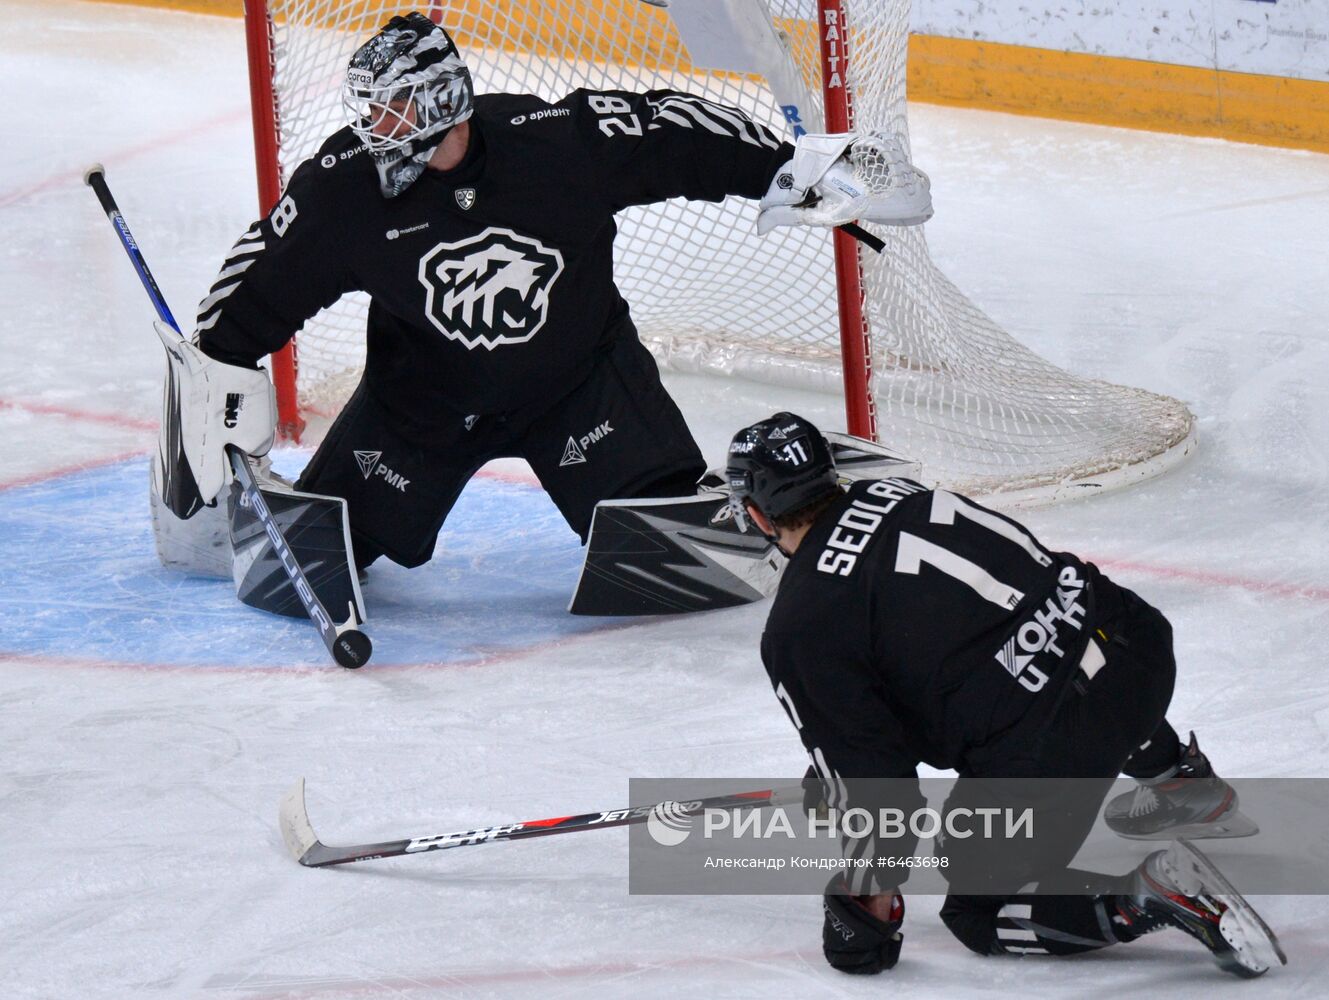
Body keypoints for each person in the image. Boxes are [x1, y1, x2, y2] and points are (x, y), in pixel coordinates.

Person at [155, 12, 932, 585]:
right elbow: (258, 287)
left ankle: (808, 483)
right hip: (418, 410)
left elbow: (669, 132)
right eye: (371, 110)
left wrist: (795, 171)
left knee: (686, 567)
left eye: (389, 109)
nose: (373, 126)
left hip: (580, 389)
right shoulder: (345, 191)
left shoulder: (555, 143)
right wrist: (214, 380)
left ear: (435, 104)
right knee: (314, 562)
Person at [724, 412, 1285, 979]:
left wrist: (862, 914)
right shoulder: (896, 492)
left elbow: (882, 799)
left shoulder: (799, 626)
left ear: (754, 514)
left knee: (977, 909)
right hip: (1135, 649)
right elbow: (945, 637)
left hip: (1063, 741)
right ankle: (1183, 783)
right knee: (1062, 656)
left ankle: (1152, 894)